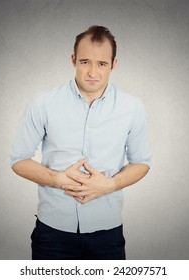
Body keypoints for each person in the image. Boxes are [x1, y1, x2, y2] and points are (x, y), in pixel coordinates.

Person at [10, 25, 152, 260]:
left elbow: (142, 162)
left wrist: (110, 185)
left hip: (107, 233)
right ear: (74, 60)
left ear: (113, 65)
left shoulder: (132, 107)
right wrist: (57, 179)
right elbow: (18, 160)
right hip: (52, 232)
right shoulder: (43, 103)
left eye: (102, 64)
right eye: (85, 62)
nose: (92, 72)